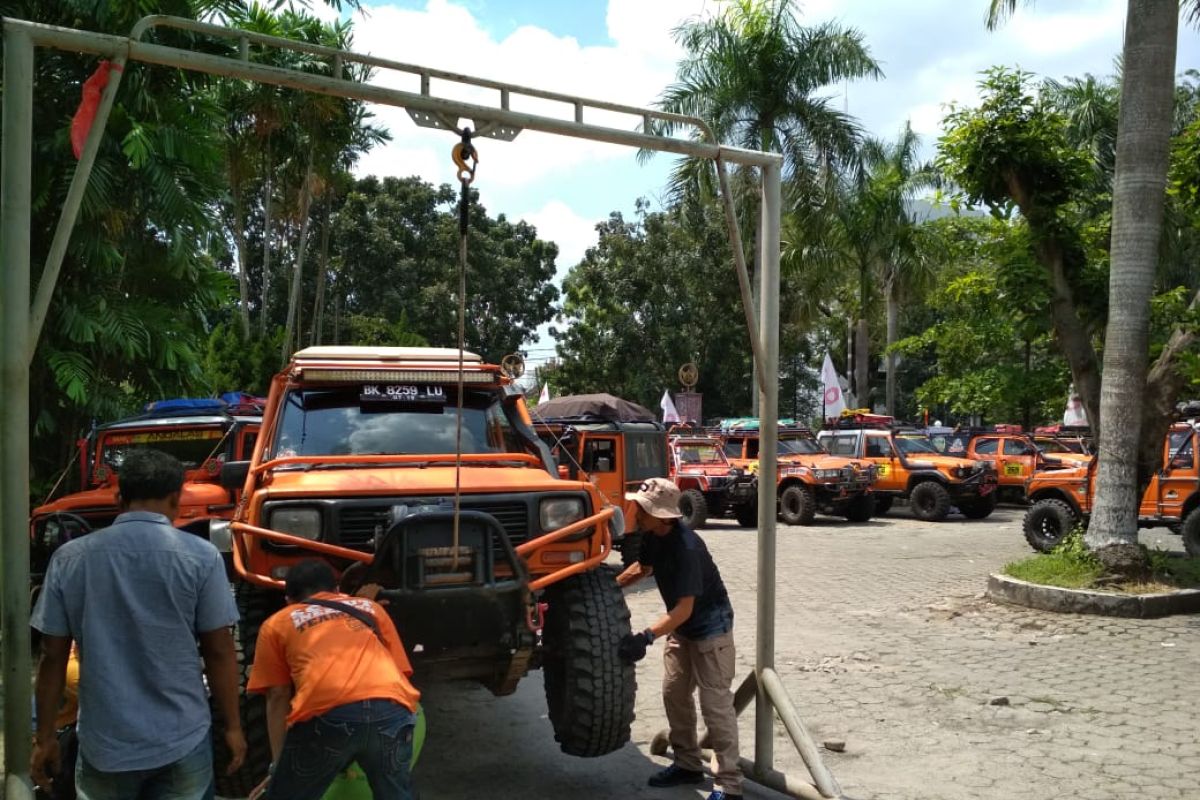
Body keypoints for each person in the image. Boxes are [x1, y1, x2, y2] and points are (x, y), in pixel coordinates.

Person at [31, 449, 245, 799]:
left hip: (105, 744)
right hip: (183, 737)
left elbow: (52, 657)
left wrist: (45, 738)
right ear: (177, 499)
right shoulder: (201, 557)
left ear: (119, 499)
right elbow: (219, 650)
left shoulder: (69, 559)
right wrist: (233, 727)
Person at [247, 559, 421, 800]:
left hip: (328, 716)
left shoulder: (277, 623)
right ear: (337, 590)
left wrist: (279, 764)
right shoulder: (370, 609)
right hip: (391, 711)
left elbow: (277, 696)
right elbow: (400, 672)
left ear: (288, 600)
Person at [616, 477, 742, 800]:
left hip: (710, 628)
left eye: (641, 508)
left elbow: (684, 609)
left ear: (659, 515)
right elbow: (642, 568)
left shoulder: (687, 548)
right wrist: (609, 587)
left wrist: (646, 636)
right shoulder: (652, 537)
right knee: (674, 693)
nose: (635, 511)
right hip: (683, 626)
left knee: (716, 707)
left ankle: (729, 786)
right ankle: (687, 763)